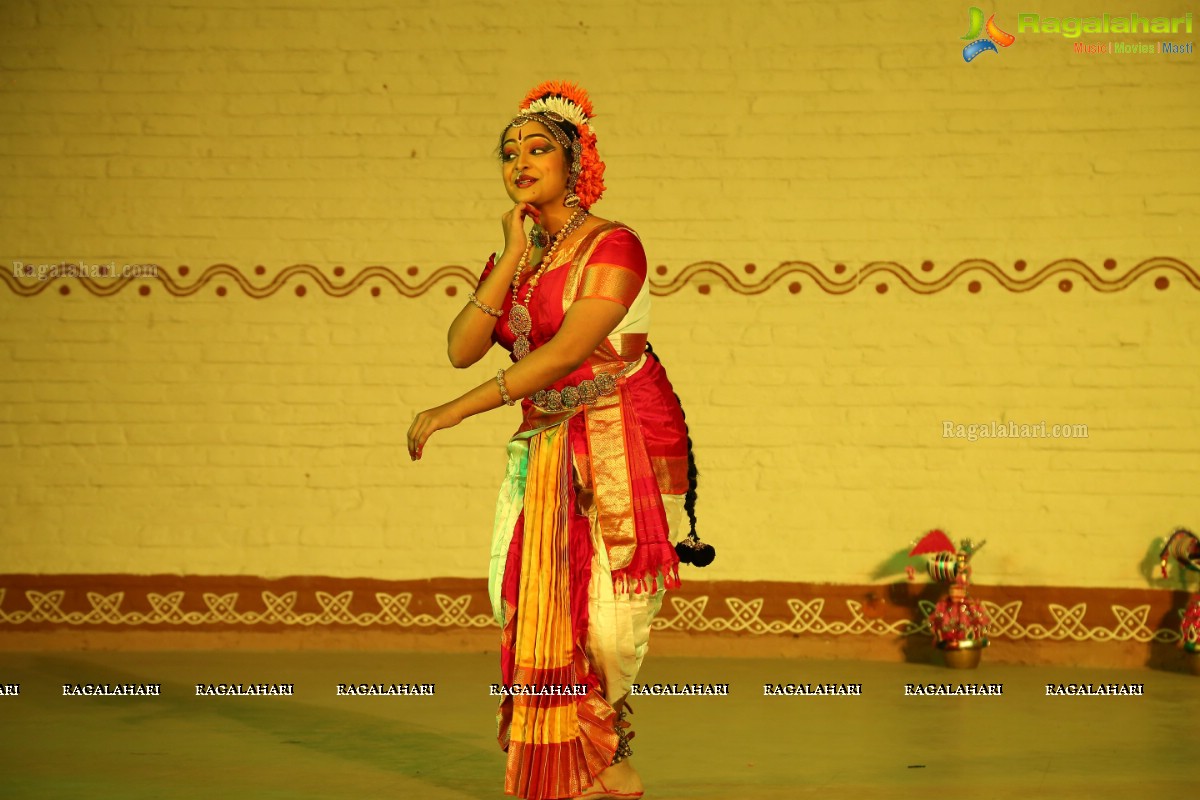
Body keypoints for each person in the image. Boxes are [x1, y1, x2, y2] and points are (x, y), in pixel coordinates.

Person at [407, 81, 698, 800]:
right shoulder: (523, 255)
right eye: (509, 153)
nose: (519, 162)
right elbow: (462, 345)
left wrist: (454, 412)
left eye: (538, 148)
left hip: (621, 435)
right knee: (521, 601)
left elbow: (566, 353)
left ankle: (606, 740)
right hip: (544, 442)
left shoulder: (614, 243)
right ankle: (598, 766)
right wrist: (510, 253)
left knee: (607, 626)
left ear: (575, 162)